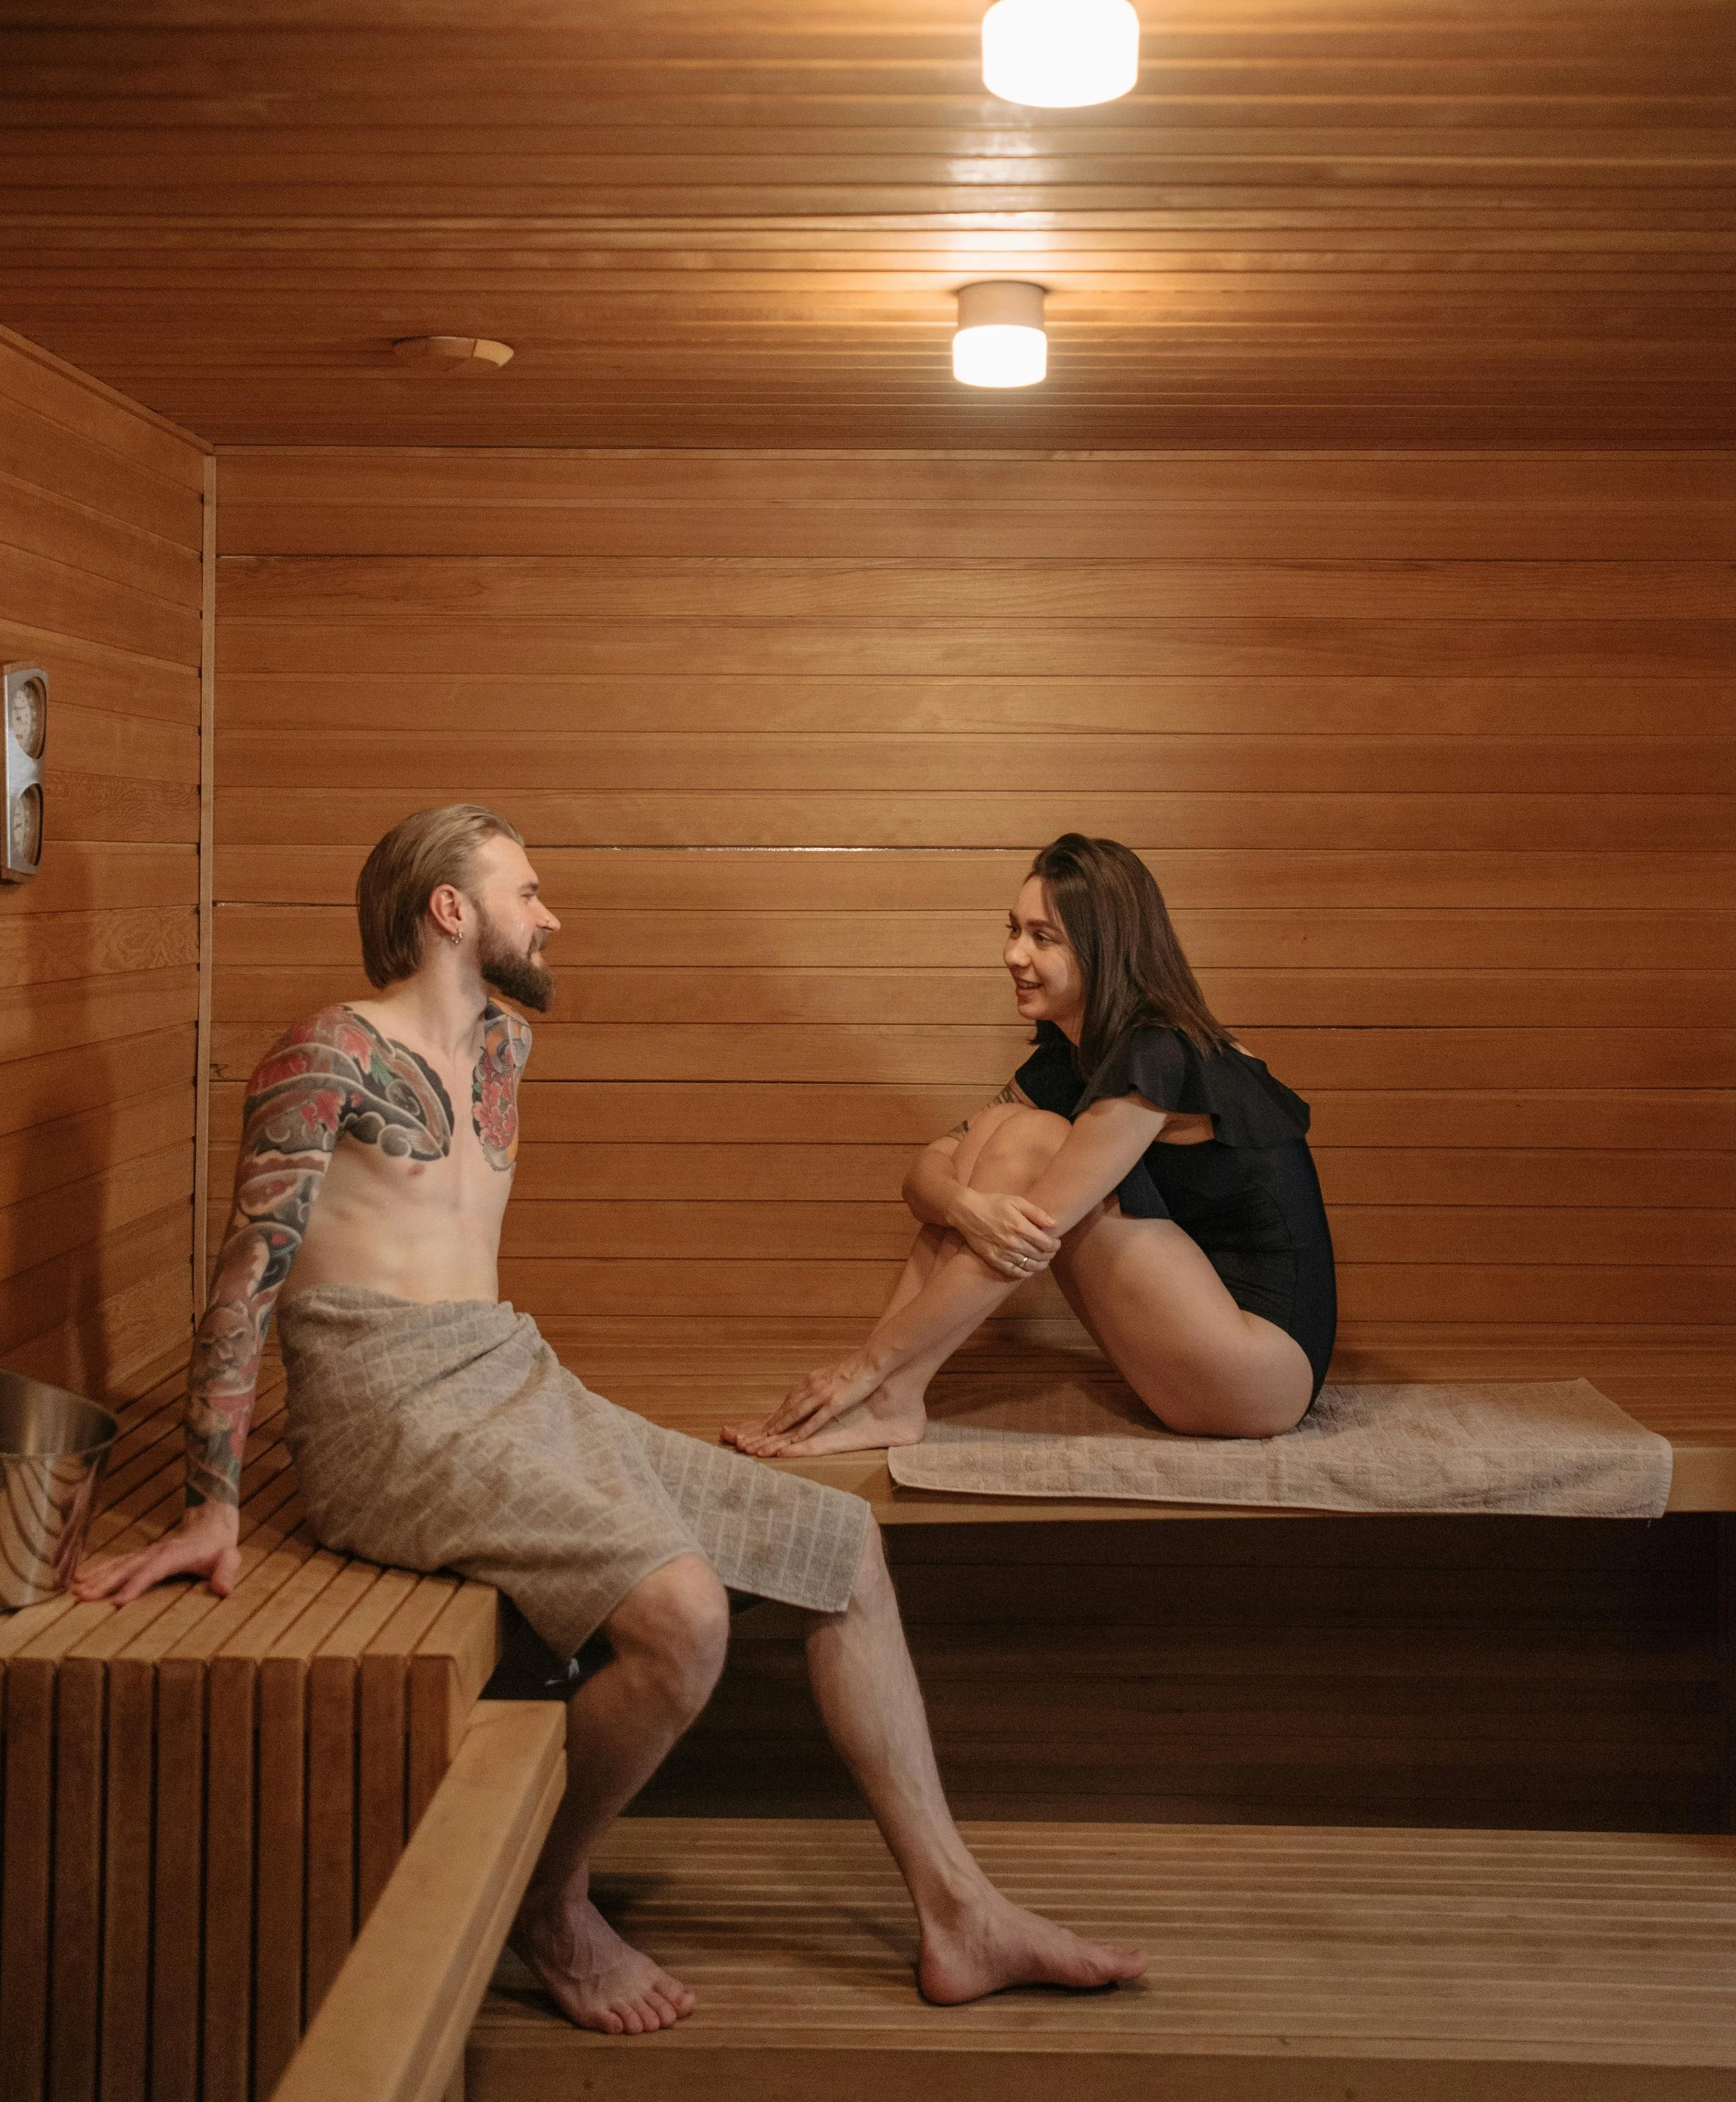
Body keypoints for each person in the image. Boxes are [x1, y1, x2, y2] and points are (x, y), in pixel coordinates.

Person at [73, 804, 1142, 2037]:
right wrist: (213, 1504)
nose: (551, 913)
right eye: (527, 891)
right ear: (449, 910)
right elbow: (244, 1275)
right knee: (682, 1616)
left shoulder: (504, 1052)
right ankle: (546, 1898)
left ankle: (961, 1913)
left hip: (507, 1371)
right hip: (381, 1410)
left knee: (847, 1552)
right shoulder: (325, 1057)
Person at [726, 831, 1336, 1463]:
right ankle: (887, 1394)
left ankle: (883, 1386)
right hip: (1188, 1345)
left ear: (1106, 949)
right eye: (1014, 929)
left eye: (1044, 939)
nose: (1014, 954)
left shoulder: (1158, 1050)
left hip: (1259, 1375)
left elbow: (1032, 1234)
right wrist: (965, 1207)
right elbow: (924, 1176)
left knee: (1030, 1144)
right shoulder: (1068, 1059)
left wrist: (861, 1364)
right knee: (997, 1137)